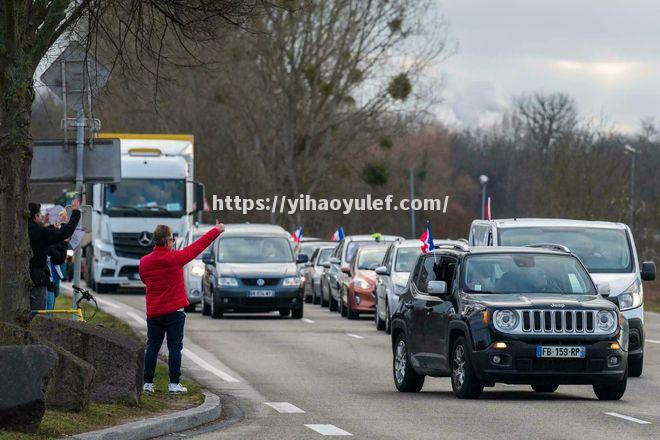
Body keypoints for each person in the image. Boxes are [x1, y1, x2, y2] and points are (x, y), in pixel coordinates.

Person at [139, 220, 224, 394]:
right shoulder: (176, 258)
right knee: (174, 348)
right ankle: (174, 384)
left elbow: (144, 280)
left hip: (154, 312)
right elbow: (198, 246)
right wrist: (216, 230)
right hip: (174, 313)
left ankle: (147, 383)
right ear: (168, 241)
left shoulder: (145, 262)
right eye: (172, 240)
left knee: (152, 347)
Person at [28, 199, 81, 311]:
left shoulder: (18, 230)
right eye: (40, 215)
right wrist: (75, 213)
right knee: (38, 316)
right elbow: (65, 233)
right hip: (38, 280)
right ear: (36, 216)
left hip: (23, 279)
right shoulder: (38, 232)